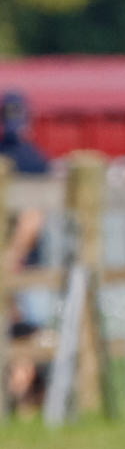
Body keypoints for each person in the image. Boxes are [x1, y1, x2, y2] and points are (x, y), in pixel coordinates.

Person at [1, 90, 53, 413]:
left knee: (20, 335)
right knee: (30, 335)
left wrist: (7, 260)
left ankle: (19, 400)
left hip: (15, 264)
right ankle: (22, 401)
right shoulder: (36, 159)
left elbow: (29, 221)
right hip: (28, 265)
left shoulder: (13, 158)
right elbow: (34, 220)